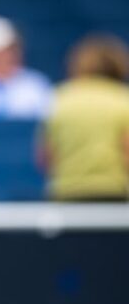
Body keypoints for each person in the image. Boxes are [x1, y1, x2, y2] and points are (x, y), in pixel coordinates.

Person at [41, 34, 129, 201]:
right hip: (114, 193)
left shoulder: (59, 98)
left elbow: (46, 157)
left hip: (66, 192)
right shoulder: (124, 99)